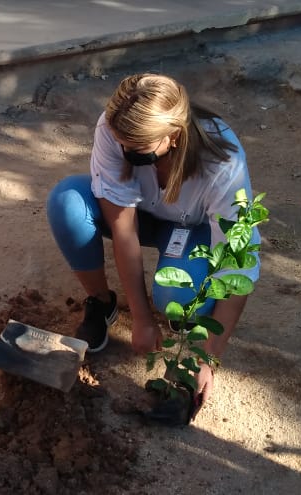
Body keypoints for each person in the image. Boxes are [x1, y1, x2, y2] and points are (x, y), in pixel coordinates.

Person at [46, 73, 261, 415]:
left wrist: (209, 360)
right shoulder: (113, 129)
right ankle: (103, 305)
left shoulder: (224, 164)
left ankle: (189, 322)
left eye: (138, 153)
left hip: (192, 228)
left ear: (173, 136)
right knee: (66, 202)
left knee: (174, 295)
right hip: (143, 215)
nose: (126, 153)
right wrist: (142, 318)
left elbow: (238, 268)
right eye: (122, 146)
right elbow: (124, 230)